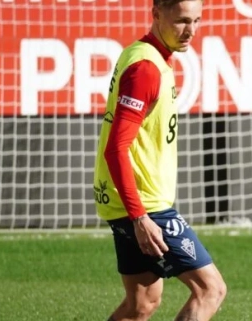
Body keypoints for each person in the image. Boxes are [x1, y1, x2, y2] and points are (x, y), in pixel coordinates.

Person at [92, 1, 226, 320]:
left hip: (125, 201)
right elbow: (115, 148)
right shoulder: (146, 69)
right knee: (210, 290)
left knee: (141, 305)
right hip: (143, 205)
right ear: (156, 14)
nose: (190, 30)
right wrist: (139, 217)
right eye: (181, 21)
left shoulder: (142, 55)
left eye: (196, 21)